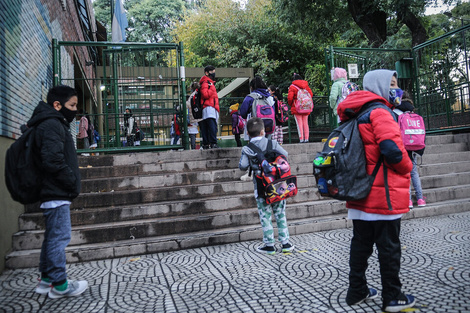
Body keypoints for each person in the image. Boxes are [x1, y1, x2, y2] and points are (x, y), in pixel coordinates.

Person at [337, 70, 415, 313]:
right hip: (383, 195)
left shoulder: (354, 112)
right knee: (389, 247)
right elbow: (391, 150)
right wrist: (408, 167)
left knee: (361, 244)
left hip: (359, 192)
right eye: (391, 84)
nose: (395, 89)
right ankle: (393, 297)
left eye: (396, 84)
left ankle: (356, 291)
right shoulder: (380, 111)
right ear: (379, 86)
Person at [30, 85, 88, 298]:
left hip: (52, 191)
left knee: (52, 237)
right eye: (72, 105)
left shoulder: (48, 123)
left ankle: (45, 281)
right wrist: (71, 181)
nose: (74, 110)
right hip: (56, 192)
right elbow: (53, 160)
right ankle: (60, 285)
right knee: (59, 238)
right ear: (57, 105)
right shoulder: (52, 125)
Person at [238, 117, 295, 255]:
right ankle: (285, 243)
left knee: (265, 215)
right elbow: (285, 155)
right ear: (263, 131)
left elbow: (242, 166)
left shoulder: (247, 149)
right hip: (278, 185)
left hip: (261, 186)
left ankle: (269, 245)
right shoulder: (272, 143)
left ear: (248, 133)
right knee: (280, 214)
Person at [393, 91, 426, 209]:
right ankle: (421, 199)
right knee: (414, 172)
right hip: (414, 145)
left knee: (404, 173)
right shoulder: (412, 111)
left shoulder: (395, 112)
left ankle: (408, 201)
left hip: (403, 146)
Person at [239, 76, 275, 141]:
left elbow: (243, 113)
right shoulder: (269, 97)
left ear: (252, 87)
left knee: (255, 147)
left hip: (255, 126)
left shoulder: (250, 97)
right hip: (268, 125)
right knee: (266, 145)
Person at [287, 73, 313, 143]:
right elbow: (311, 94)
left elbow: (290, 98)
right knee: (305, 123)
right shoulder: (306, 85)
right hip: (306, 106)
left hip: (297, 107)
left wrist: (291, 104)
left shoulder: (292, 86)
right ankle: (307, 138)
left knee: (299, 123)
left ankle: (301, 139)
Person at [199, 65, 220, 149]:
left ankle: (207, 143)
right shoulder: (206, 83)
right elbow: (205, 95)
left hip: (211, 107)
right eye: (211, 72)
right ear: (206, 73)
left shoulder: (208, 83)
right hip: (209, 107)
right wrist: (211, 88)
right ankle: (213, 142)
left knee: (209, 126)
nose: (213, 74)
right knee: (211, 126)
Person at [186, 82, 202, 150]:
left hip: (194, 119)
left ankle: (191, 148)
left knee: (191, 137)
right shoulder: (201, 94)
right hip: (200, 117)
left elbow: (188, 108)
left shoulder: (192, 96)